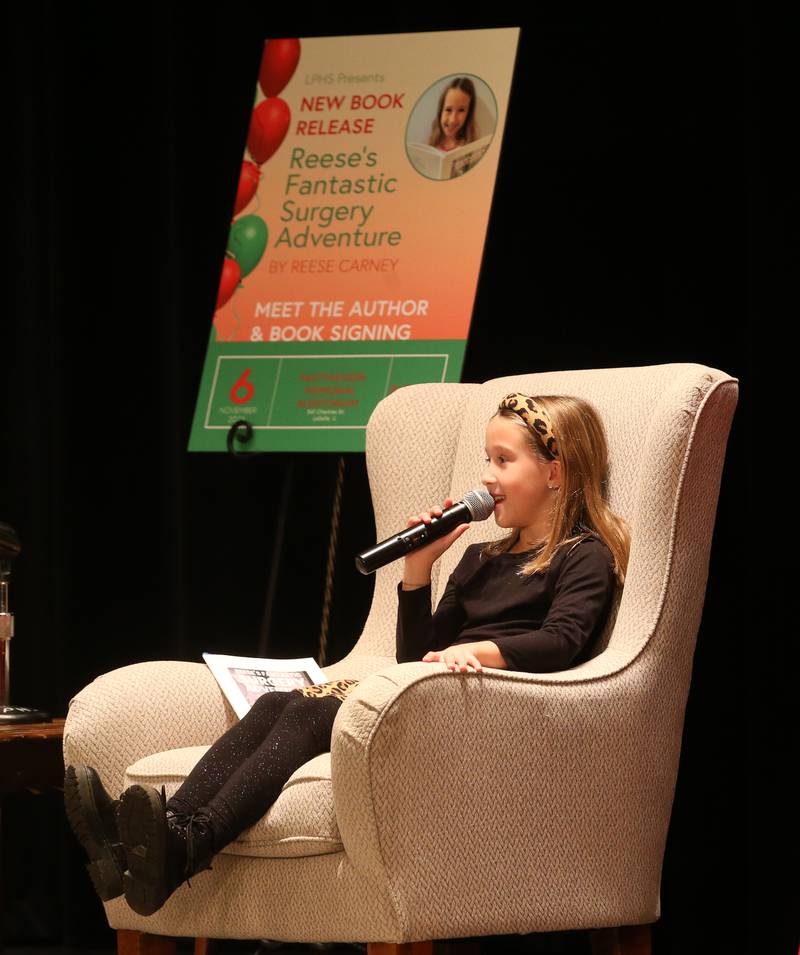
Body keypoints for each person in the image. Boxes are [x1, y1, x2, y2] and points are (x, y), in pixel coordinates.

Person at [64, 391, 630, 917]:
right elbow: (416, 653)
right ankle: (166, 837)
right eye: (487, 459)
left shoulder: (583, 557)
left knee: (308, 712)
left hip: (491, 708)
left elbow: (563, 641)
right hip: (433, 687)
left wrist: (481, 651)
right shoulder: (480, 557)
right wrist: (418, 569)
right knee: (276, 705)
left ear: (555, 472)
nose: (487, 477)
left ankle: (179, 842)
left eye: (503, 461)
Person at [428, 76, 477, 152]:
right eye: (448, 110)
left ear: (468, 114)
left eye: (461, 110)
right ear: (441, 111)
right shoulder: (432, 142)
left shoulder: (471, 148)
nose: (453, 120)